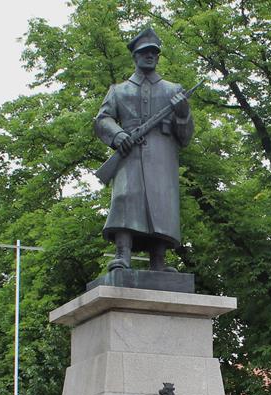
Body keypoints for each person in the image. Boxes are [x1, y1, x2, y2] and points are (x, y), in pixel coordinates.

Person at [94, 26, 194, 272]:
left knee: (162, 205)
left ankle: (158, 262)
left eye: (154, 52)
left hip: (162, 155)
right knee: (125, 199)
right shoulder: (119, 90)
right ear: (135, 56)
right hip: (129, 151)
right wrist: (118, 136)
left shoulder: (174, 90)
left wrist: (183, 114)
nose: (150, 56)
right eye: (144, 52)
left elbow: (185, 137)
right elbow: (102, 119)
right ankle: (122, 255)